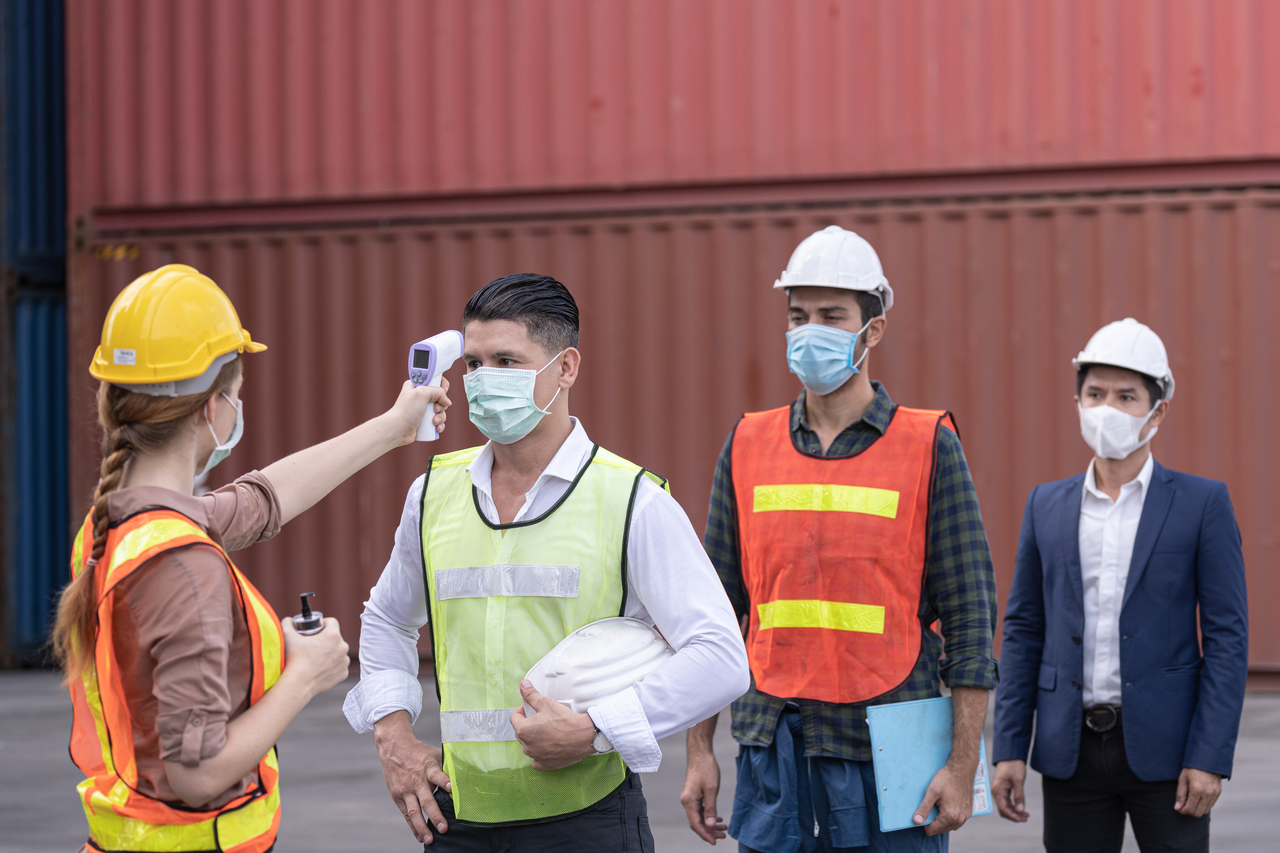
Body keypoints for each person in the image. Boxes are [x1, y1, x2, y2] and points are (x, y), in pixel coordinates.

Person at [343, 273, 749, 850]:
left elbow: (721, 658)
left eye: (508, 361)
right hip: (456, 821)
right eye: (475, 364)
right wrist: (393, 736)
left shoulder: (632, 499)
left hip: (586, 822)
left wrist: (595, 731)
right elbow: (386, 619)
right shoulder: (432, 495)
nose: (485, 382)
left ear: (566, 368)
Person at [53, 264, 450, 853]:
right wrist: (303, 676)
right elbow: (197, 772)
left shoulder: (118, 525)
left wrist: (393, 428)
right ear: (213, 409)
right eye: (237, 397)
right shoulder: (183, 567)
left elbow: (263, 501)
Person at [681, 225, 1000, 852]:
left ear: (872, 328)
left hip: (894, 748)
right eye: (798, 315)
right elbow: (711, 614)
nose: (809, 330)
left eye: (831, 315)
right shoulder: (747, 445)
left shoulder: (929, 445)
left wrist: (963, 769)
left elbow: (970, 619)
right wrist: (700, 753)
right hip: (776, 742)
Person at [991, 318, 1248, 853]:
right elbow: (1023, 630)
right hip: (1071, 753)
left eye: (1127, 396)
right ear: (1078, 401)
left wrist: (1209, 757)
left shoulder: (1202, 504)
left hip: (1169, 754)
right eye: (1096, 393)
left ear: (1158, 412)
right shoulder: (1046, 505)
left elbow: (1227, 640)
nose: (1107, 408)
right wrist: (1009, 746)